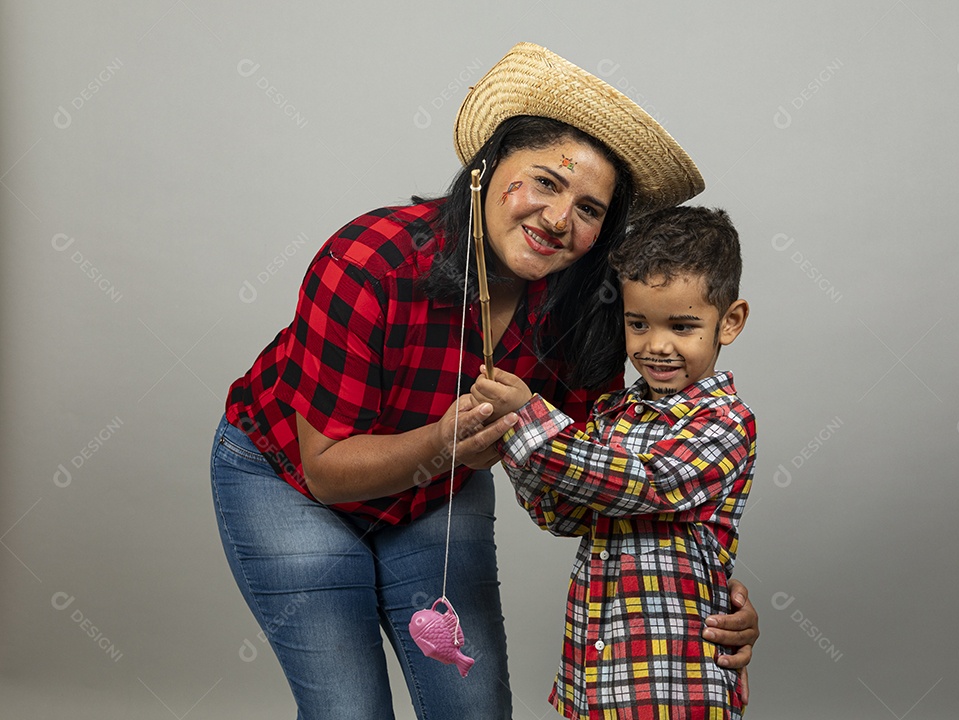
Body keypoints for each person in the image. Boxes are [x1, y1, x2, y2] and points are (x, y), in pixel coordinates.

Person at [210, 42, 758, 720]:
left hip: (438, 492)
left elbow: (598, 479)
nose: (559, 219)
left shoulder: (588, 312)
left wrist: (703, 590)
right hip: (289, 479)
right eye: (546, 183)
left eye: (589, 209)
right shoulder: (370, 260)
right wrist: (444, 445)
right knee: (349, 712)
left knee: (471, 710)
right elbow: (325, 470)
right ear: (485, 172)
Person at [471, 206, 753, 719]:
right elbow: (564, 514)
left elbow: (645, 485)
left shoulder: (725, 422)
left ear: (728, 322)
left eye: (683, 326)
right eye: (638, 323)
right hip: (598, 671)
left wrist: (532, 418)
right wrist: (510, 436)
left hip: (675, 680)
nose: (657, 346)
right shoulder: (612, 414)